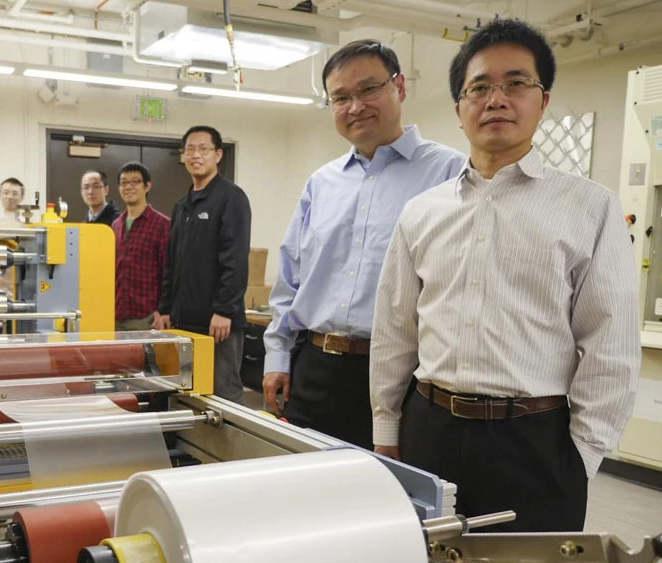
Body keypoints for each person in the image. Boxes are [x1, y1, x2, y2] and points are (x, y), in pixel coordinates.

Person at [370, 19, 639, 532]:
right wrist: (387, 430)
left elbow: (611, 345)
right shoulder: (422, 211)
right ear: (459, 109)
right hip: (430, 430)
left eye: (516, 83)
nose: (496, 99)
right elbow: (395, 332)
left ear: (543, 100)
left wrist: (581, 456)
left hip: (536, 442)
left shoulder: (591, 207)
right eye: (479, 88)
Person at [261, 40, 464, 449]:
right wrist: (277, 357)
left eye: (369, 89)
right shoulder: (321, 183)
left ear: (400, 87)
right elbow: (291, 278)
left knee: (391, 497)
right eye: (341, 97)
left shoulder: (451, 172)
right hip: (315, 367)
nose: (355, 106)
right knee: (307, 492)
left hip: (404, 375)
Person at [154, 126, 251, 404]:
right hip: (183, 321)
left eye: (204, 149)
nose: (196, 155)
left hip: (218, 323)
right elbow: (172, 263)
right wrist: (164, 308)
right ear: (183, 155)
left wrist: (224, 310)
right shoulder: (182, 205)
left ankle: (229, 448)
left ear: (218, 155)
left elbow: (235, 258)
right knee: (186, 393)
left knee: (222, 396)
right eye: (190, 149)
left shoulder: (231, 198)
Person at [111, 162, 170, 331]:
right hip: (116, 316)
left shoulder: (162, 225)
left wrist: (163, 311)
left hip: (147, 318)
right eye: (124, 182)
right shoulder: (116, 225)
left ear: (147, 186)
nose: (128, 187)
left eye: (135, 181)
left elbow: (169, 272)